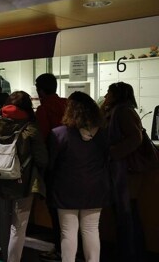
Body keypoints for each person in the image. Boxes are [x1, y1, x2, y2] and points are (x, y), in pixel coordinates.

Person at [0, 91, 48, 262]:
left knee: (4, 223)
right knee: (18, 227)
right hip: (24, 185)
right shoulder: (30, 129)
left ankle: (5, 257)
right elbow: (43, 159)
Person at [49, 92, 109, 262]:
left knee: (68, 232)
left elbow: (51, 164)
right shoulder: (103, 134)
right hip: (95, 188)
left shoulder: (59, 134)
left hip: (66, 189)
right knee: (91, 230)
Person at [101, 82, 146, 261]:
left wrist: (113, 153)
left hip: (124, 171)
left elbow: (136, 137)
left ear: (116, 95)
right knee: (126, 212)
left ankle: (129, 254)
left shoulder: (122, 111)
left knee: (126, 213)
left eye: (109, 93)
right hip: (121, 170)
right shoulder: (118, 110)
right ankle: (130, 251)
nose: (105, 96)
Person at [35, 73, 67, 262]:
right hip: (72, 163)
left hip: (54, 165)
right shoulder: (67, 104)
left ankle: (60, 249)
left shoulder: (44, 109)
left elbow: (42, 139)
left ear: (40, 90)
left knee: (55, 209)